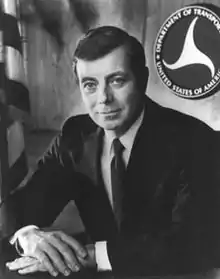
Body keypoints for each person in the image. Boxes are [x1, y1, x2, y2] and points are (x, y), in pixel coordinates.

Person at [4, 26, 220, 277]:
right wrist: (28, 236)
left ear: (143, 79)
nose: (103, 98)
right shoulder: (75, 135)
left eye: (116, 81)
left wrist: (89, 255)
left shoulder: (195, 140)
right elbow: (23, 206)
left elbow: (192, 246)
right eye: (90, 85)